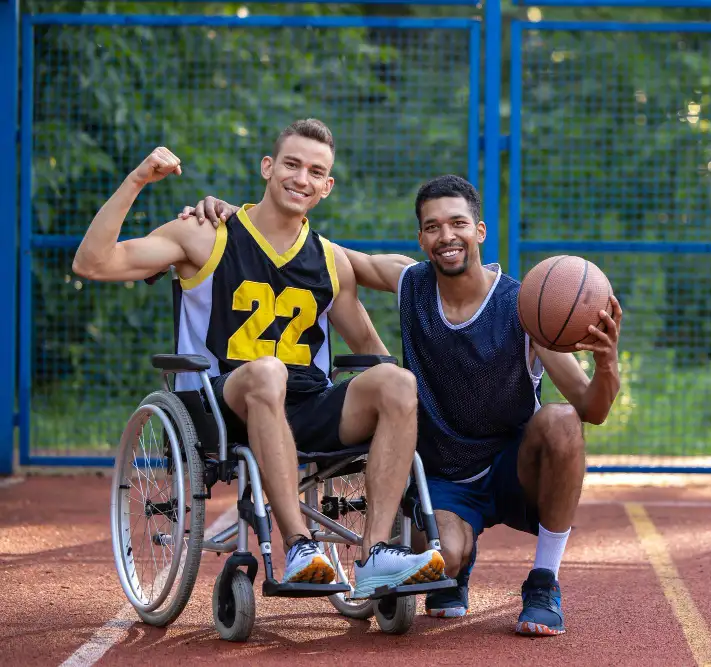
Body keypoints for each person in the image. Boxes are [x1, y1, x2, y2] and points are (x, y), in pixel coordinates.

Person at [182, 174, 623, 636]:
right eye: (432, 227)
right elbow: (309, 247)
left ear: (479, 231)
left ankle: (543, 581)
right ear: (420, 238)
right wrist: (241, 219)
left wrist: (608, 366)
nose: (446, 236)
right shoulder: (410, 283)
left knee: (561, 420)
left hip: (510, 466)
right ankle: (458, 563)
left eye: (457, 223)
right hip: (445, 480)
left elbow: (591, 408)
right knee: (441, 562)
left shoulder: (526, 307)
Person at [72, 119, 445, 598]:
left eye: (315, 171)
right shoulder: (205, 234)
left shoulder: (332, 262)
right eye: (291, 164)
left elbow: (373, 355)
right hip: (222, 405)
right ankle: (299, 547)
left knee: (395, 381)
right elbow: (92, 263)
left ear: (327, 187)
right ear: (268, 167)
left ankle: (374, 556)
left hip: (306, 406)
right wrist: (139, 178)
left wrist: (410, 405)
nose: (301, 178)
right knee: (268, 372)